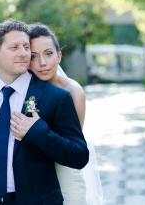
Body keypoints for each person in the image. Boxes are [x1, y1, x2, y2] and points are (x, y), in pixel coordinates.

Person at [0, 19, 89, 205]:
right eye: (14, 47)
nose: (24, 53)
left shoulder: (56, 97)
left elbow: (79, 156)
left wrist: (38, 132)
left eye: (25, 46)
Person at [29, 23, 104, 205]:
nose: (43, 63)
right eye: (33, 56)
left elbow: (72, 145)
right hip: (33, 175)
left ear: (59, 56)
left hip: (64, 172)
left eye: (48, 53)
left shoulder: (73, 91)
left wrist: (39, 129)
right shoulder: (24, 89)